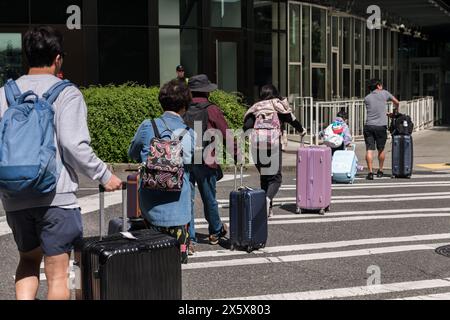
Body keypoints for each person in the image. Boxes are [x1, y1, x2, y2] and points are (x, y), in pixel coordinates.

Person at [0, 26, 123, 300]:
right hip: (56, 196)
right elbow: (72, 144)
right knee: (57, 274)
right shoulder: (66, 93)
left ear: (26, 57)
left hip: (15, 197)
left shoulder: (4, 93)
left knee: (28, 261)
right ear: (57, 58)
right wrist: (104, 175)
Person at [129, 80, 195, 264]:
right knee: (175, 264)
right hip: (179, 210)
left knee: (151, 261)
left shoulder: (147, 126)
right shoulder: (189, 133)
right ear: (184, 106)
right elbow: (188, 162)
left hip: (150, 208)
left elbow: (132, 153)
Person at [184, 74, 232, 253]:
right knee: (209, 198)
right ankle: (215, 232)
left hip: (187, 159)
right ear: (207, 92)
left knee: (186, 200)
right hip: (207, 159)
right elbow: (226, 133)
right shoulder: (212, 110)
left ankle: (189, 238)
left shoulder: (184, 108)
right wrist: (236, 153)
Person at [243, 84, 305, 219]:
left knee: (265, 177)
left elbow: (246, 127)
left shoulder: (256, 107)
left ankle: (268, 209)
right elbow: (291, 119)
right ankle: (267, 199)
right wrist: (301, 130)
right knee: (276, 179)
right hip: (273, 146)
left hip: (257, 146)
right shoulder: (277, 106)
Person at [364, 79, 400, 180]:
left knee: (369, 149)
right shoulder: (384, 93)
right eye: (381, 85)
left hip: (369, 126)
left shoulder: (366, 98)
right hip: (381, 126)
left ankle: (370, 172)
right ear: (378, 86)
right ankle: (380, 170)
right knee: (381, 149)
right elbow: (397, 102)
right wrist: (394, 113)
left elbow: (374, 109)